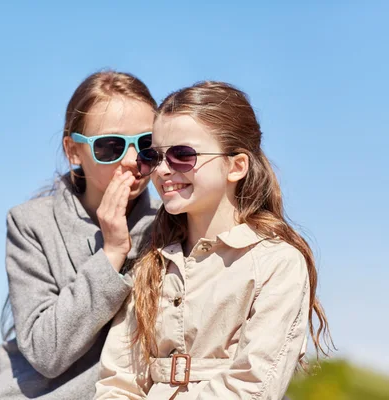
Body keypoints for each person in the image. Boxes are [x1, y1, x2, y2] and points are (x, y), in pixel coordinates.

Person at [94, 81, 333, 400]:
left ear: (236, 166)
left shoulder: (278, 264)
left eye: (182, 154)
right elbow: (117, 382)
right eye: (155, 156)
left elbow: (252, 386)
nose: (163, 170)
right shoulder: (150, 264)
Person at [0, 70, 161, 399]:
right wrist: (111, 253)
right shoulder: (31, 224)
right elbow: (46, 353)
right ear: (73, 152)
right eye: (110, 146)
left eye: (146, 145)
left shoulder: (171, 223)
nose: (131, 160)